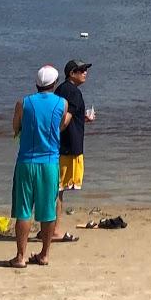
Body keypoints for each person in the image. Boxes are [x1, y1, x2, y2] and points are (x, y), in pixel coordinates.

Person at [10, 66, 71, 268]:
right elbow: (60, 126)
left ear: (37, 83)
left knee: (24, 210)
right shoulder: (62, 103)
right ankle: (44, 254)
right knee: (48, 211)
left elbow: (15, 127)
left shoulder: (24, 103)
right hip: (49, 162)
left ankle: (20, 257)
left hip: (26, 161)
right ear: (54, 84)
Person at [56, 60, 94, 206]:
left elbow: (61, 115)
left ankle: (51, 228)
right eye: (82, 69)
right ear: (72, 73)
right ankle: (54, 228)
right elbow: (64, 121)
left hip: (60, 146)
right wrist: (54, 135)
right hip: (69, 148)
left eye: (86, 69)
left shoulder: (60, 89)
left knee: (57, 189)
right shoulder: (74, 92)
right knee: (58, 190)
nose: (85, 72)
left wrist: (81, 118)